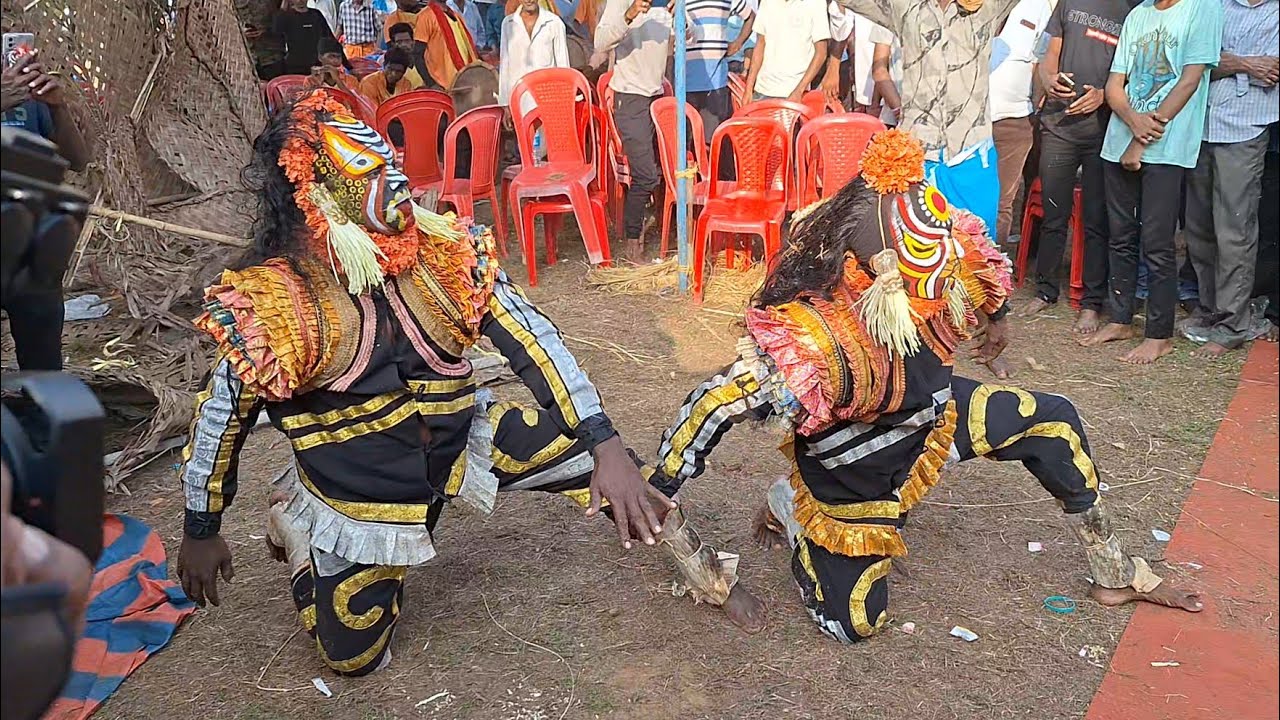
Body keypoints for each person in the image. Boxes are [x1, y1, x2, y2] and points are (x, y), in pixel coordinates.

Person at [176, 91, 765, 677]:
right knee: (353, 655)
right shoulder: (273, 305)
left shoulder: (444, 252)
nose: (399, 184)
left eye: (394, 165)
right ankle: (301, 526)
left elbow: (535, 342)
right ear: (324, 195)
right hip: (359, 494)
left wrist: (605, 445)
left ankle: (708, 575)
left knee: (622, 473)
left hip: (464, 443)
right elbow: (220, 418)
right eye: (374, 173)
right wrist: (201, 527)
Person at [647, 130, 1203, 647]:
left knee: (1053, 420)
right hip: (851, 470)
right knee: (856, 624)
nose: (938, 297)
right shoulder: (807, 342)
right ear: (865, 277)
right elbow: (712, 405)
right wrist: (668, 509)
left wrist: (998, 315)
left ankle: (1115, 571)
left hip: (933, 418)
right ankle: (794, 508)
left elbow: (978, 259)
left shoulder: (940, 246)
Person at [1079, 0, 1223, 364]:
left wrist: (1142, 137)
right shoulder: (1139, 14)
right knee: (1121, 236)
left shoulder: (1201, 9)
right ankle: (1121, 319)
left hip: (1166, 147)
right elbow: (1115, 85)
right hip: (1119, 141)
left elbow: (1190, 80)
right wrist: (1131, 121)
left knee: (1158, 243)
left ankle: (1159, 335)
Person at [838, 0, 1022, 248]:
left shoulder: (987, 6)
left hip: (971, 154)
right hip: (916, 157)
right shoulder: (903, 6)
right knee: (914, 258)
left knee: (977, 255)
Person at [1023, 0, 1129, 335]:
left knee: (1096, 220)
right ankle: (1045, 289)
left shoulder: (1133, 10)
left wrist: (1104, 95)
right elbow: (1048, 52)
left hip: (1102, 131)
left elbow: (1134, 71)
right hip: (1058, 126)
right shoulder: (1070, 2)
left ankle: (1091, 303)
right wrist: (1049, 77)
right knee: (1054, 215)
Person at [1182, 0, 1278, 358]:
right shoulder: (1215, 5)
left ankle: (1232, 325)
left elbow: (1273, 70)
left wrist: (1224, 62)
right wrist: (1246, 64)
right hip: (1201, 124)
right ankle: (1210, 310)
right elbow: (1199, 57)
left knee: (1234, 230)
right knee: (1199, 225)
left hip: (1246, 128)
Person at [1, 50, 90, 372]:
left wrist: (57, 105)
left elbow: (77, 160)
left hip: (31, 245)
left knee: (42, 361)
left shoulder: (28, 95)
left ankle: (39, 414)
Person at [594, 0, 680, 260]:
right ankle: (633, 243)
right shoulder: (619, 2)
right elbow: (600, 43)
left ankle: (665, 228)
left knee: (670, 169)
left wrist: (681, 18)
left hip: (657, 95)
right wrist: (628, 15)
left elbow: (688, 37)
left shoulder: (667, 5)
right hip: (630, 97)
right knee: (645, 175)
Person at [988, 0, 1051, 250]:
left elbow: (1040, 64)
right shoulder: (971, 5)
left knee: (1002, 202)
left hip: (1014, 122)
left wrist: (1033, 109)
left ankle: (992, 269)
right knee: (965, 194)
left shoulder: (1037, 7)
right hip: (969, 122)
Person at [684, 0, 756, 142]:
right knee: (688, 145)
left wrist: (737, 44)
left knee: (713, 143)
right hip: (685, 83)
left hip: (715, 82)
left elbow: (751, 17)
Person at [744, 0, 830, 101]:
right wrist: (748, 88)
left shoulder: (815, 3)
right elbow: (760, 44)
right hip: (761, 91)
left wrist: (799, 91)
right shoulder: (767, 2)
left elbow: (821, 53)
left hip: (793, 94)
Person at [498, 0, 571, 111]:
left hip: (548, 101)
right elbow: (504, 66)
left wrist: (564, 102)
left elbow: (563, 67)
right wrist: (504, 103)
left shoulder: (554, 23)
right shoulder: (508, 24)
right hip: (519, 100)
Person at [263, 0, 345, 76]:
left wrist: (348, 66)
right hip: (293, 67)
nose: (300, 0)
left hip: (316, 67)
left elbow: (332, 42)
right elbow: (275, 35)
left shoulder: (316, 15)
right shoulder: (285, 16)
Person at [413, 0, 480, 89]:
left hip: (464, 82)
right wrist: (432, 84)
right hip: (442, 86)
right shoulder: (425, 16)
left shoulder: (457, 15)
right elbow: (417, 55)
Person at [236, 0, 288, 79]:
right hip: (244, 56)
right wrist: (239, 30)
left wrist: (266, 30)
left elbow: (289, 14)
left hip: (272, 54)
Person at [869, 25, 902, 125]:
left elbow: (879, 71)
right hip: (898, 114)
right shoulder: (888, 16)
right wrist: (899, 111)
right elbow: (879, 71)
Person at [387, 22, 429, 87]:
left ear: (413, 41)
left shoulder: (426, 62)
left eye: (407, 41)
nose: (404, 45)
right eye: (399, 42)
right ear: (393, 44)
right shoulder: (387, 63)